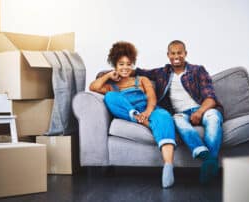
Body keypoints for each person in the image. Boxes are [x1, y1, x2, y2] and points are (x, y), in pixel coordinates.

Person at [90, 41, 177, 188]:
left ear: (133, 64)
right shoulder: (111, 85)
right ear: (115, 66)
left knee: (164, 117)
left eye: (128, 64)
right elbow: (93, 87)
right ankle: (140, 120)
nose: (125, 67)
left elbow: (151, 97)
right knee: (111, 97)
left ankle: (168, 166)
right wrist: (108, 75)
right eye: (121, 64)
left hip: (148, 110)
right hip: (128, 111)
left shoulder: (142, 79)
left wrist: (148, 112)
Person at [135, 40, 224, 184]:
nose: (176, 56)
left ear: (185, 54)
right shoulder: (162, 72)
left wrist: (200, 112)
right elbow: (137, 71)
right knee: (176, 119)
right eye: (173, 53)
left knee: (213, 117)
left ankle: (209, 162)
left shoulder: (197, 70)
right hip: (181, 114)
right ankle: (207, 158)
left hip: (204, 109)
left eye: (179, 53)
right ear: (168, 55)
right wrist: (109, 73)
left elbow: (211, 98)